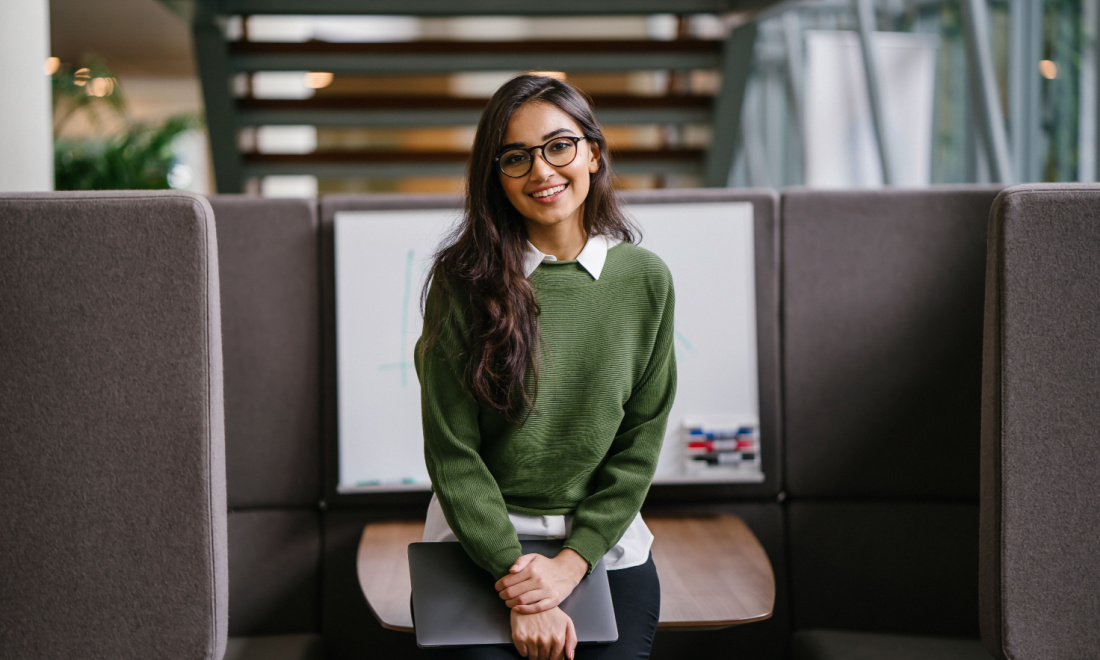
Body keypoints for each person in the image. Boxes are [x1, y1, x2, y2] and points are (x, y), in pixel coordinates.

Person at [415, 73, 677, 660]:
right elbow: (453, 452)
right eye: (516, 157)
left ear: (593, 152)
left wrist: (568, 567)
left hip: (600, 546)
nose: (542, 171)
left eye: (559, 145)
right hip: (478, 543)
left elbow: (639, 443)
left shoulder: (646, 280)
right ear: (496, 177)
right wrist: (525, 585)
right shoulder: (462, 284)